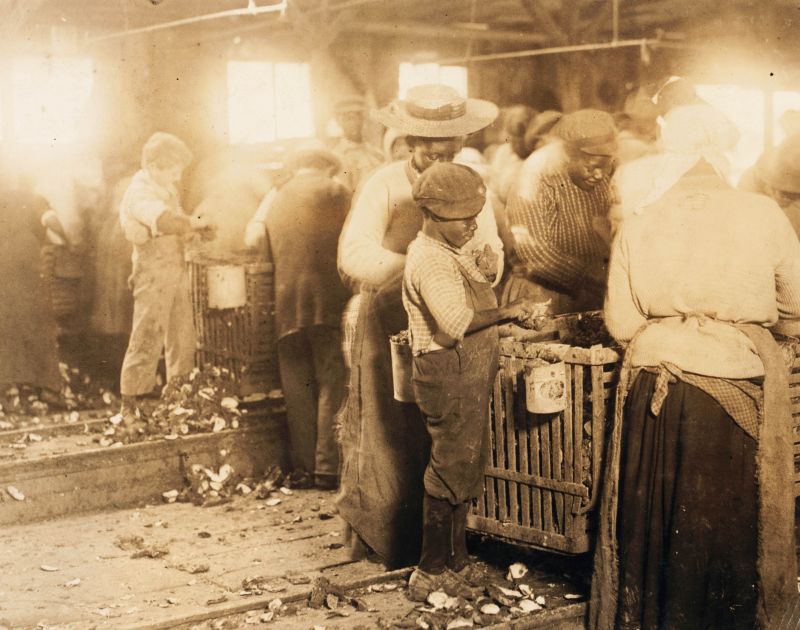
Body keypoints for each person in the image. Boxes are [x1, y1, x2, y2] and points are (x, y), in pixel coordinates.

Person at [591, 103, 800, 630]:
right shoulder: (763, 213)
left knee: (654, 522)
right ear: (722, 152)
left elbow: (621, 322)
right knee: (720, 523)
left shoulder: (641, 220)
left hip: (654, 388)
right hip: (728, 385)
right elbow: (797, 305)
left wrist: (673, 327)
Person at [336, 83, 503, 569]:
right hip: (390, 317)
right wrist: (420, 271)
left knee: (445, 434)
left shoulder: (469, 182)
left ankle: (445, 546)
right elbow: (353, 254)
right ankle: (389, 540)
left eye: (449, 150)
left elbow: (489, 245)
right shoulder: (385, 184)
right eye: (431, 150)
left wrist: (487, 264)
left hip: (450, 323)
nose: (440, 158)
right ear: (411, 142)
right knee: (390, 429)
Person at [402, 162, 538, 600]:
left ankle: (456, 562)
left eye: (475, 217)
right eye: (463, 219)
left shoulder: (448, 250)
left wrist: (482, 266)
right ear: (433, 216)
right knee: (448, 467)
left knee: (465, 465)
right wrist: (510, 311)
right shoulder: (429, 260)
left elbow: (468, 287)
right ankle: (429, 571)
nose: (473, 226)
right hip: (447, 372)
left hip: (467, 372)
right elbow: (456, 320)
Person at [262, 148, 351, 490]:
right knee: (331, 378)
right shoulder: (335, 191)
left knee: (297, 385)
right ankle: (327, 467)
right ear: (328, 167)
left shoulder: (277, 197)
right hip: (326, 300)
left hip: (286, 303)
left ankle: (303, 466)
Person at [118, 132, 214, 425]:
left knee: (182, 336)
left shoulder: (166, 188)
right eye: (172, 170)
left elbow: (179, 222)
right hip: (152, 272)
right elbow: (163, 220)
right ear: (153, 166)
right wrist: (195, 223)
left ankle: (178, 399)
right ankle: (131, 403)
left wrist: (196, 231)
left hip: (175, 267)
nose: (177, 176)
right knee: (148, 333)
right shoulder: (140, 191)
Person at [504, 109, 617, 313]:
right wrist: (596, 277)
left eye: (605, 167)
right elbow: (535, 254)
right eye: (591, 167)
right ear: (567, 155)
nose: (599, 175)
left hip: (590, 292)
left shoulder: (600, 180)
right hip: (540, 294)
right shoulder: (535, 177)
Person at [0, 177, 64, 402]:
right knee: (40, 322)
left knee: (7, 323)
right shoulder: (34, 199)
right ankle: (47, 388)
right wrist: (68, 241)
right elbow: (51, 220)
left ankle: (10, 387)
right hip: (27, 264)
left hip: (3, 266)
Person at [331, 96, 384, 194]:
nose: (354, 123)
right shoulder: (338, 157)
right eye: (348, 119)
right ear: (339, 122)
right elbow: (344, 194)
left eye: (358, 118)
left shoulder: (376, 153)